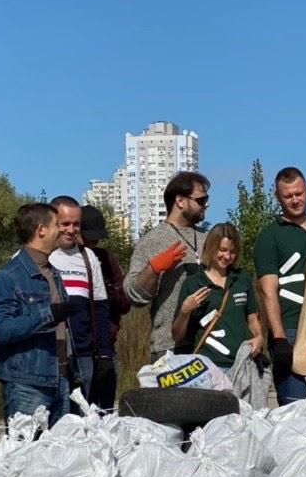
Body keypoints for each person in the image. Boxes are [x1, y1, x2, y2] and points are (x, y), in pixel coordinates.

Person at [253, 167, 306, 405]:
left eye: (299, 193)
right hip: (290, 331)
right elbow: (267, 290)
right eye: (288, 195)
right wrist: (279, 338)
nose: (295, 200)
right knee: (296, 409)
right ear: (278, 197)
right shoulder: (269, 236)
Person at [0, 203, 74, 421]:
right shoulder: (8, 277)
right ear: (41, 230)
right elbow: (2, 330)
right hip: (27, 385)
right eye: (57, 225)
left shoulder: (53, 273)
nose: (63, 230)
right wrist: (48, 314)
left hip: (61, 379)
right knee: (26, 454)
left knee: (61, 454)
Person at [124, 172, 208, 363]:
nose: (206, 205)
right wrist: (154, 269)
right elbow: (134, 295)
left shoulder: (207, 238)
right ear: (180, 201)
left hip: (208, 343)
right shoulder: (151, 241)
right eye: (201, 199)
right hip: (168, 347)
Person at [173, 223, 264, 370]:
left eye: (232, 252)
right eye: (222, 250)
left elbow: (252, 318)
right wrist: (185, 311)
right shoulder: (193, 283)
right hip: (208, 367)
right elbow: (177, 336)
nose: (227, 256)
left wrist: (259, 338)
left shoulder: (242, 278)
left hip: (242, 364)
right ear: (211, 247)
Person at [48, 196, 113, 402]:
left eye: (76, 224)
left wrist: (104, 354)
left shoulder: (88, 257)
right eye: (65, 224)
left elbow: (101, 310)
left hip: (84, 355)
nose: (71, 229)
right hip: (49, 356)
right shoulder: (41, 256)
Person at [79, 204, 130, 408]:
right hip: (81, 349)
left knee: (105, 410)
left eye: (96, 238)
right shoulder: (67, 260)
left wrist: (107, 291)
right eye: (88, 237)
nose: (92, 243)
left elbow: (125, 304)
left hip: (107, 347)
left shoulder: (106, 258)